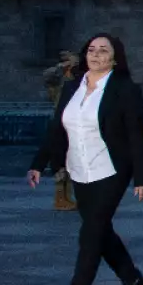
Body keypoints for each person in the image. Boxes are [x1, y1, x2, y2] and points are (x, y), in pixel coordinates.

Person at [26, 33, 143, 285]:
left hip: (111, 170)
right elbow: (57, 129)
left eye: (103, 50)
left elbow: (135, 136)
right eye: (91, 50)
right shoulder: (72, 87)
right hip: (78, 170)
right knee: (101, 230)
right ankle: (129, 275)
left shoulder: (125, 89)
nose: (95, 55)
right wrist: (38, 164)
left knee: (90, 235)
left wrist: (142, 178)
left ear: (115, 57)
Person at [40, 50, 79, 211]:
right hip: (59, 125)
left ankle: (67, 197)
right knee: (60, 163)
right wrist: (63, 66)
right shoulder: (57, 81)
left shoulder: (75, 81)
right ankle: (60, 199)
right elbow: (48, 76)